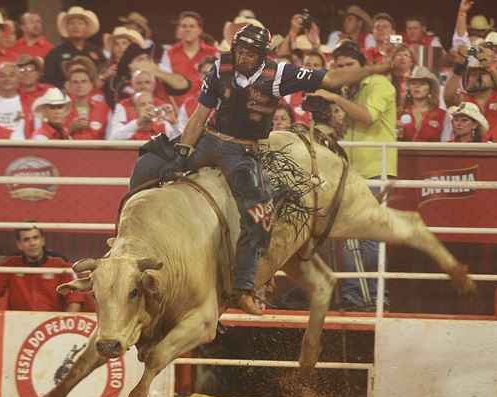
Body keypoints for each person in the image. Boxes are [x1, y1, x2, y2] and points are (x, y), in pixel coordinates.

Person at [169, 25, 391, 314]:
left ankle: (244, 287)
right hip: (210, 140)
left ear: (262, 55)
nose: (243, 55)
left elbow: (333, 77)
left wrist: (373, 69)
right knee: (151, 161)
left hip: (243, 150)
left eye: (250, 51)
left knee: (258, 215)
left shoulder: (280, 74)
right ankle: (122, 246)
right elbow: (200, 115)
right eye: (240, 49)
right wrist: (183, 152)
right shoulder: (219, 67)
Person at [311, 41, 396, 310]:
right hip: (352, 171)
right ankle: (359, 297)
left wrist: (336, 99)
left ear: (363, 66)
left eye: (350, 65)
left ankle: (366, 298)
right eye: (339, 67)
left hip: (375, 169)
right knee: (353, 237)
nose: (345, 70)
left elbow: (369, 116)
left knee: (364, 236)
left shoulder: (379, 84)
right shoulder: (349, 89)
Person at [0, 225, 84, 312]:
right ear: (19, 245)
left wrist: (65, 323)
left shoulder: (60, 266)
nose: (32, 243)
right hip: (17, 323)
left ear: (43, 241)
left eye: (35, 238)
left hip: (50, 326)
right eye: (26, 240)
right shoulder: (10, 265)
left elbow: (75, 300)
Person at [444, 44, 497, 142]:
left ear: (493, 78)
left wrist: (490, 68)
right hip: (469, 152)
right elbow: (448, 97)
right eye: (473, 74)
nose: (478, 77)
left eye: (483, 73)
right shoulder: (463, 100)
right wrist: (459, 66)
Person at [159, 11, 218, 104]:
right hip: (177, 108)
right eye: (184, 26)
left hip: (205, 107)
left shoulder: (213, 53)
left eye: (192, 26)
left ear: (199, 30)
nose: (187, 29)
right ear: (178, 30)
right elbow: (166, 85)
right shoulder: (169, 53)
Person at [43, 6, 104, 89]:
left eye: (80, 23)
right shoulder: (55, 53)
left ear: (86, 27)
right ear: (67, 27)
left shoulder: (96, 51)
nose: (76, 27)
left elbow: (103, 73)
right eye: (72, 23)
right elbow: (48, 79)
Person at [62, 58, 111, 140]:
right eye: (75, 82)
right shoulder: (60, 109)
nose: (80, 85)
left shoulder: (104, 108)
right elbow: (53, 138)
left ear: (91, 85)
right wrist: (70, 129)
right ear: (69, 86)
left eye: (84, 81)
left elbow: (111, 137)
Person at [398, 66, 446, 141]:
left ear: (430, 89)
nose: (417, 86)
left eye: (422, 84)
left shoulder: (442, 114)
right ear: (409, 88)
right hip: (403, 152)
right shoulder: (400, 112)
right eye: (413, 83)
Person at [109, 91, 178, 140]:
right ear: (135, 110)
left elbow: (180, 144)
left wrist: (174, 124)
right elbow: (112, 139)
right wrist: (140, 121)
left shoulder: (163, 125)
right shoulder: (130, 128)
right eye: (142, 104)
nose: (148, 107)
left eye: (150, 103)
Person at [0, 61, 26, 139]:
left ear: (18, 78)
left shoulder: (30, 102)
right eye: (2, 76)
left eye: (12, 75)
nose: (7, 79)